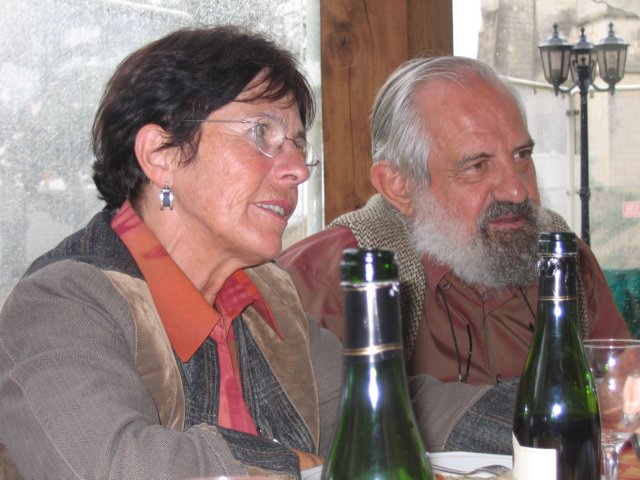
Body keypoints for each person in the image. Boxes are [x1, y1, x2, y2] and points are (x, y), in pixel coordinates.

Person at [0, 25, 341, 479]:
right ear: (161, 154)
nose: (298, 169)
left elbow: (380, 408)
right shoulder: (61, 305)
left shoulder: (265, 294)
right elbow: (116, 467)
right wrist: (284, 461)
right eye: (262, 132)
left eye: (297, 144)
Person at [279, 56, 631, 445]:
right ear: (399, 186)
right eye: (477, 166)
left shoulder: (565, 262)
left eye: (521, 156)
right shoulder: (319, 283)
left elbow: (622, 401)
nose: (517, 191)